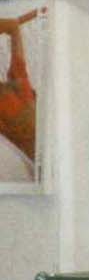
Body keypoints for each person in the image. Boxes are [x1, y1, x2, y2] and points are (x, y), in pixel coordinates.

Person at [0, 9, 40, 176]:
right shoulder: (18, 82)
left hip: (36, 160)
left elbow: (13, 26)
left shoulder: (18, 80)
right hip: (32, 164)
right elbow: (13, 26)